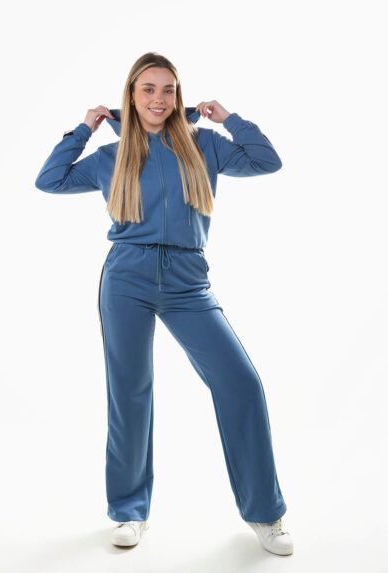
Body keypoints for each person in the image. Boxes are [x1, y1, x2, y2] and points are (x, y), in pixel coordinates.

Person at [34, 52, 294, 557]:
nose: (159, 98)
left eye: (168, 89)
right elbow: (50, 179)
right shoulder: (112, 157)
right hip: (126, 277)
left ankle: (266, 513)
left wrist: (228, 118)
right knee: (130, 392)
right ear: (131, 96)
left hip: (188, 282)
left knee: (241, 382)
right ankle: (130, 511)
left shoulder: (204, 146)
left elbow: (267, 160)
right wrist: (83, 130)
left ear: (178, 97)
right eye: (148, 89)